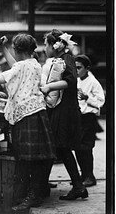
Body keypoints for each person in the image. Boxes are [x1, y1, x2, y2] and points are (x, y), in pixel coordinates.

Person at [0, 33, 56, 212]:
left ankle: (30, 196)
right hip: (38, 113)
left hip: (27, 116)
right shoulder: (34, 64)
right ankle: (33, 194)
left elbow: (1, 79)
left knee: (28, 159)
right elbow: (17, 65)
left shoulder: (21, 66)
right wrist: (3, 48)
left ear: (17, 50)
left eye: (12, 49)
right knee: (38, 158)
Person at [40, 29, 89, 200]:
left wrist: (48, 87)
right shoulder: (59, 59)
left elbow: (71, 81)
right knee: (60, 147)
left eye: (46, 44)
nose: (45, 48)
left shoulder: (67, 59)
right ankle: (76, 186)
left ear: (56, 45)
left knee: (60, 147)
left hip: (65, 111)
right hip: (61, 110)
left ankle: (75, 186)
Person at [74, 54, 105, 187]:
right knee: (78, 147)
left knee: (86, 147)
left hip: (88, 117)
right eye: (75, 68)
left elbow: (101, 102)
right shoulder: (78, 80)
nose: (77, 70)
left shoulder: (92, 82)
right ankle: (84, 174)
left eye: (79, 68)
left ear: (87, 68)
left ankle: (90, 176)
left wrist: (88, 98)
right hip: (79, 117)